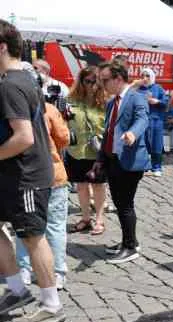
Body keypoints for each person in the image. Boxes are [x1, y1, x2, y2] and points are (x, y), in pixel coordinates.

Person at [0, 19, 65, 322]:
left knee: (33, 238)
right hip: (13, 173)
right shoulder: (23, 78)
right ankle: (16, 289)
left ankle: (52, 304)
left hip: (26, 175)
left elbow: (24, 137)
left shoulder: (12, 84)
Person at [16, 62, 70, 292]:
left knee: (25, 228)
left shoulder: (13, 109)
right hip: (53, 174)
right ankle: (57, 273)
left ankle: (25, 269)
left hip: (25, 176)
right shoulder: (49, 109)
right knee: (55, 227)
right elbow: (65, 138)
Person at [94, 60, 150, 264]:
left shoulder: (137, 98)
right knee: (120, 202)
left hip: (129, 160)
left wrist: (132, 134)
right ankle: (128, 239)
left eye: (105, 80)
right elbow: (108, 131)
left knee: (124, 204)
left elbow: (143, 119)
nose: (102, 84)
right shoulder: (112, 102)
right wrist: (101, 158)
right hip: (112, 159)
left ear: (118, 79)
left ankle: (130, 247)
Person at [66, 66, 107, 236]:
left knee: (98, 186)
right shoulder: (71, 99)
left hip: (97, 152)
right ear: (81, 82)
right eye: (86, 81)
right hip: (76, 150)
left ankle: (99, 219)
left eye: (94, 81)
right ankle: (85, 218)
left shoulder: (106, 101)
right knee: (81, 186)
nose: (90, 85)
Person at [135, 68, 169, 177]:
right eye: (143, 76)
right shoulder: (138, 89)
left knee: (156, 144)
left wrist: (157, 101)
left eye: (147, 76)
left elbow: (166, 101)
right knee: (142, 144)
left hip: (156, 120)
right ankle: (143, 165)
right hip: (141, 120)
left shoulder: (158, 88)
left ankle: (156, 166)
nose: (145, 78)